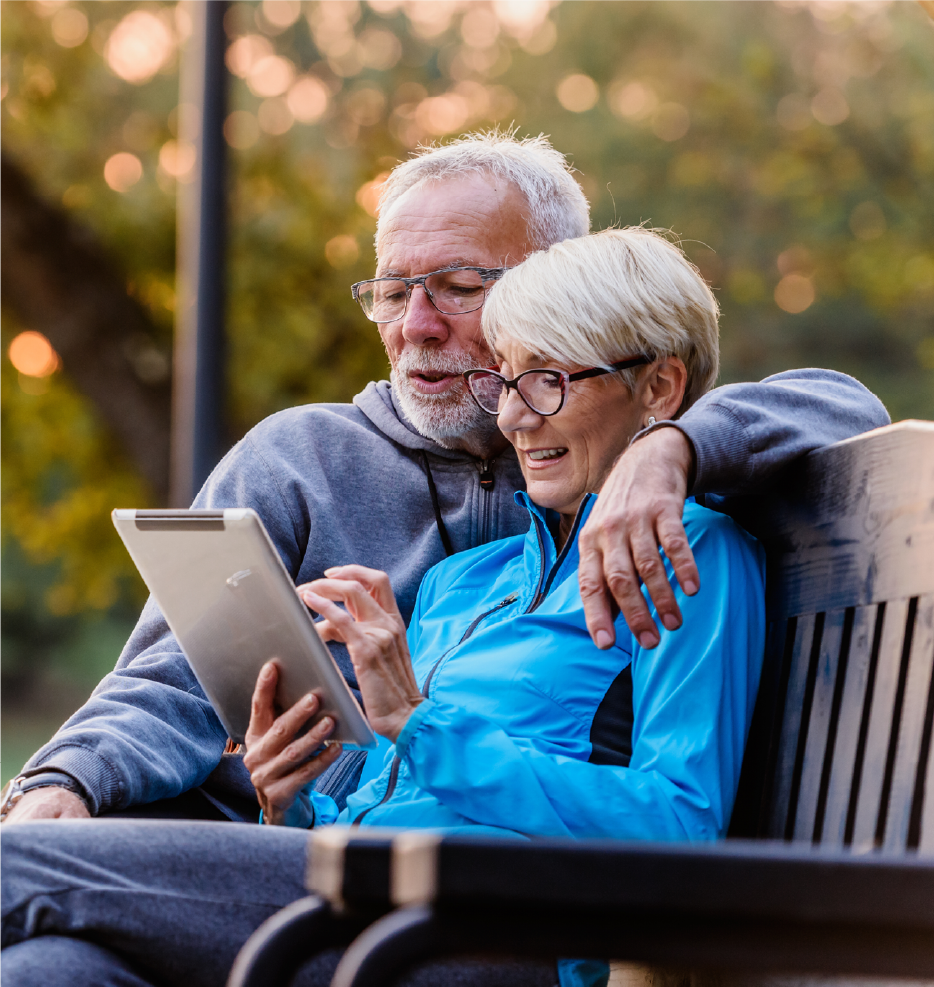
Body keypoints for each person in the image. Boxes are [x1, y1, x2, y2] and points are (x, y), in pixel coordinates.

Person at [2, 132, 887, 829]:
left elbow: (840, 403)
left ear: (546, 288)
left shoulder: (610, 438)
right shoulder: (300, 460)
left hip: (443, 905)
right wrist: (66, 783)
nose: (417, 325)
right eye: (393, 291)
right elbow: (168, 678)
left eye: (459, 285)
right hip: (260, 842)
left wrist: (673, 450)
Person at [0, 226, 763, 987]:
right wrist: (290, 801)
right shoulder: (466, 580)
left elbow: (678, 825)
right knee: (51, 968)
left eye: (549, 382)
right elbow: (380, 803)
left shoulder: (693, 556)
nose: (514, 420)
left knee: (23, 868)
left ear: (659, 388)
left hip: (491, 933)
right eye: (507, 381)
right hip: (366, 904)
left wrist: (418, 723)